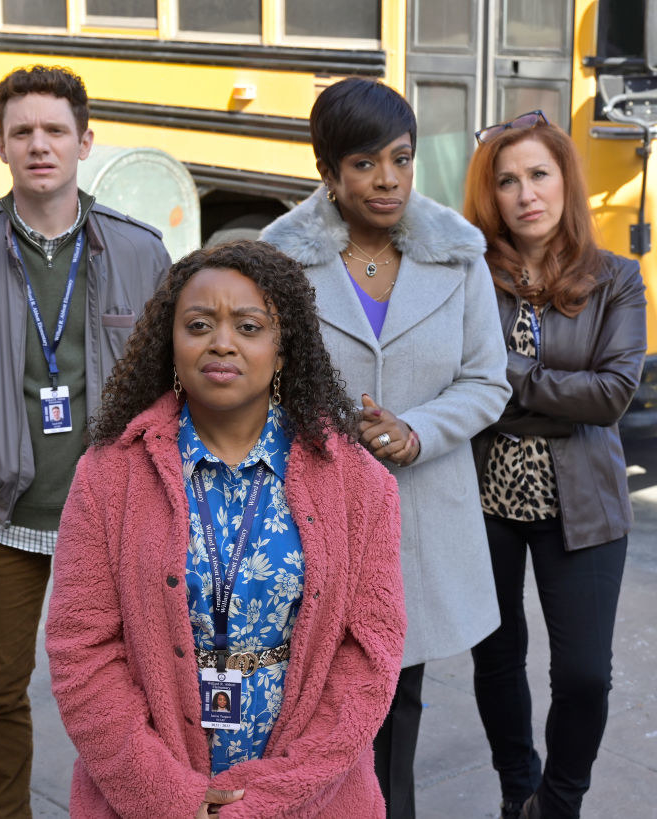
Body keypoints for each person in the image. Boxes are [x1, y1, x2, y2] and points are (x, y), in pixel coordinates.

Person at [45, 240, 406, 817]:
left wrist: (271, 797)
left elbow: (370, 658)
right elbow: (81, 651)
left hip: (311, 796)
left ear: (283, 350)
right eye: (199, 324)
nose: (222, 341)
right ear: (171, 342)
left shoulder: (357, 484)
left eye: (248, 325)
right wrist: (170, 796)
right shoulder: (109, 475)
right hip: (145, 797)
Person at [0, 64, 169, 817]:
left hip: (118, 513)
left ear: (85, 141)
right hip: (6, 511)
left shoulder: (139, 252)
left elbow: (170, 378)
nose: (39, 144)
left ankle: (137, 803)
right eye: (21, 131)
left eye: (55, 129)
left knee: (140, 682)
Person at [261, 78, 511, 818]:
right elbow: (255, 381)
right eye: (365, 163)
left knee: (398, 700)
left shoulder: (459, 255)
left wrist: (415, 431)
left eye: (400, 159)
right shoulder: (277, 263)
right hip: (310, 518)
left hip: (420, 523)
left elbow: (486, 381)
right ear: (328, 171)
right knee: (308, 704)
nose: (388, 179)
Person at [463, 112, 646, 819]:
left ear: (565, 182)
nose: (525, 193)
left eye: (539, 174)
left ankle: (559, 802)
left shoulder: (618, 280)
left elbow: (609, 396)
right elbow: (458, 384)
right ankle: (519, 788)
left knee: (583, 677)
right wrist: (545, 391)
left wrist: (504, 374)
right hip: (483, 499)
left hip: (588, 500)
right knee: (497, 659)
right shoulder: (473, 276)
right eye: (506, 181)